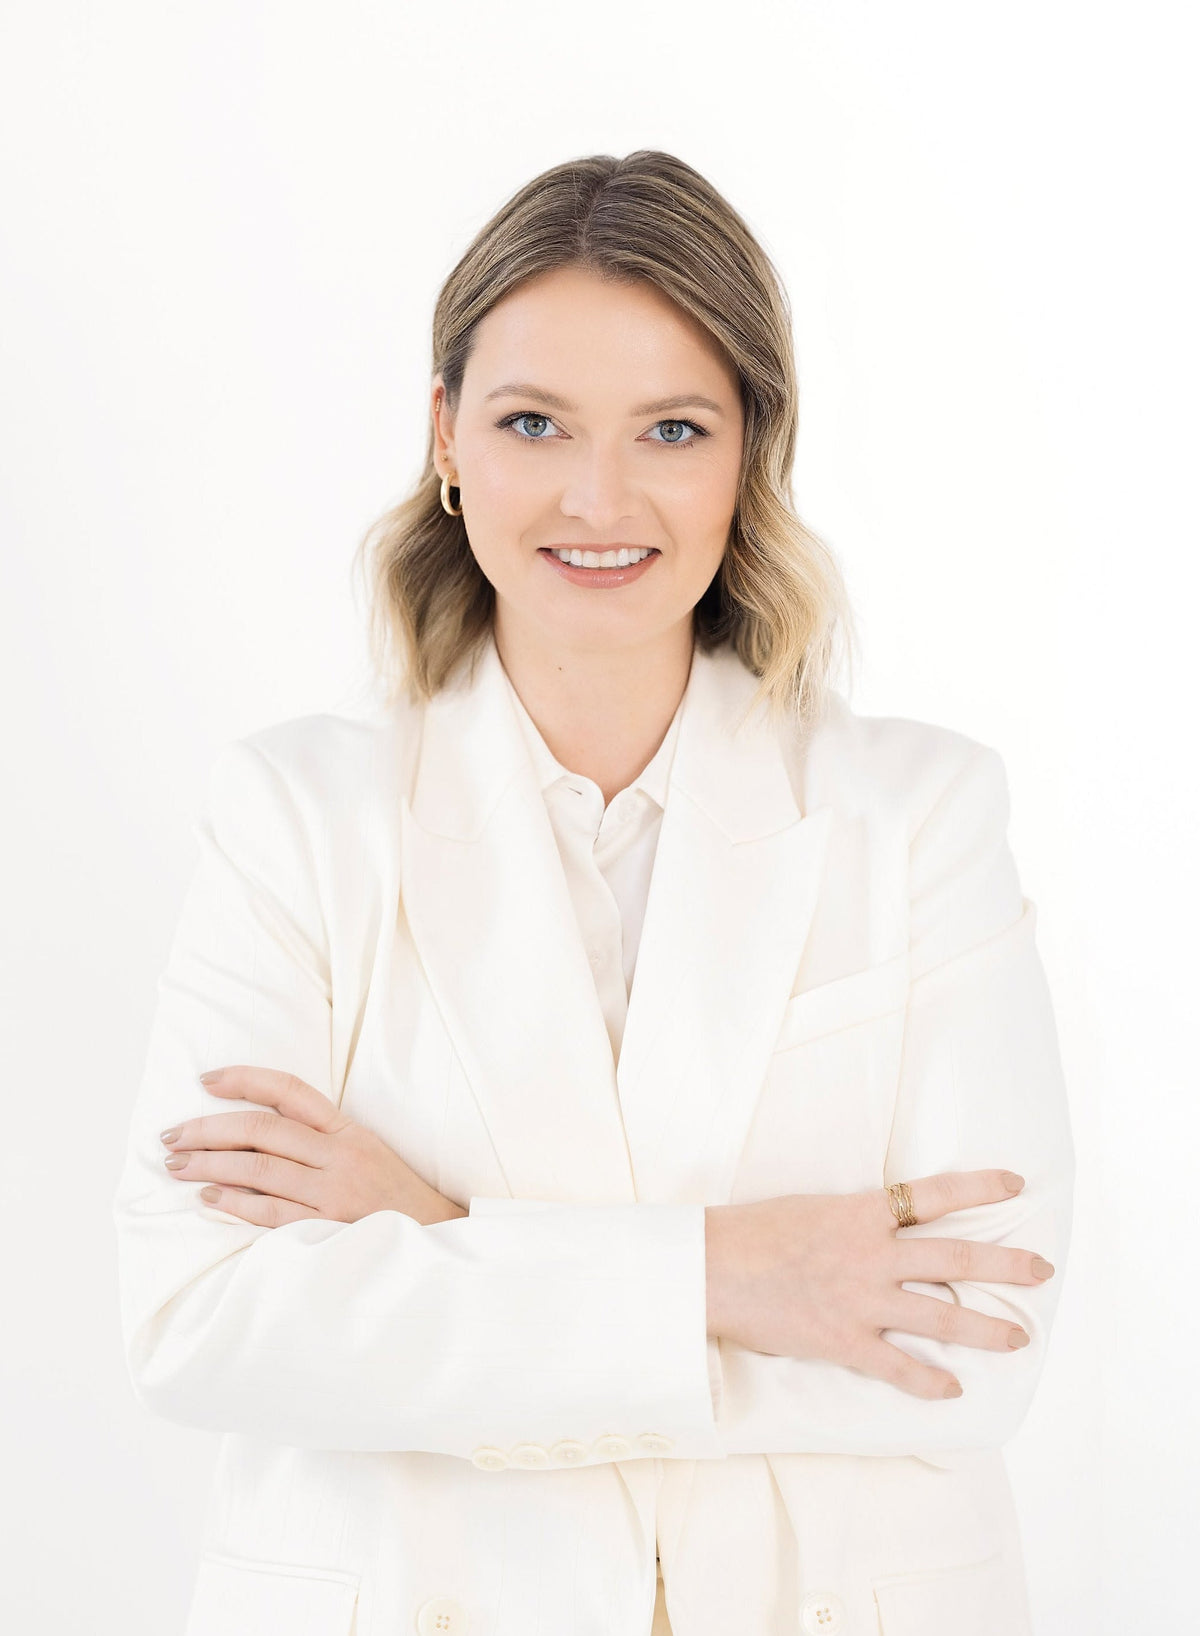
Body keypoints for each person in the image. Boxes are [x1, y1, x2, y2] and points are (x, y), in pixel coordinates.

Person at [112, 150, 1074, 1636]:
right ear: (445, 438)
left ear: (752, 450)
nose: (597, 496)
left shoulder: (918, 814)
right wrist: (737, 1273)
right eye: (532, 423)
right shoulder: (296, 816)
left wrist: (436, 1228)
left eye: (673, 428)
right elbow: (203, 1325)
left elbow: (982, 1343)